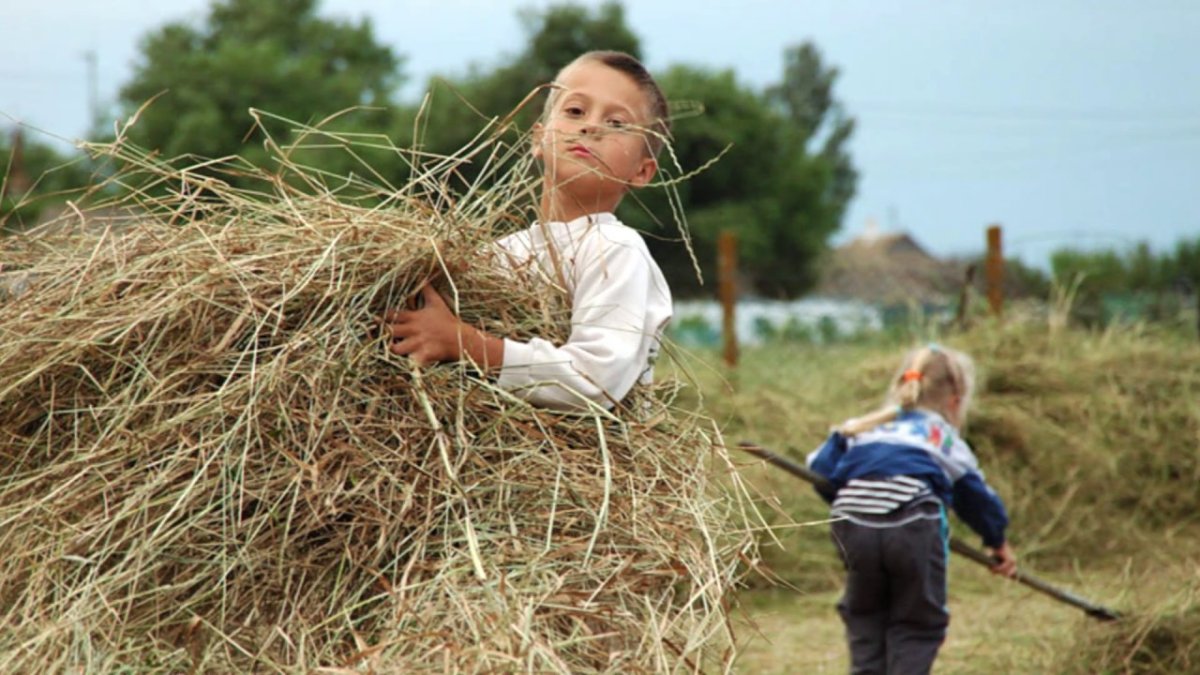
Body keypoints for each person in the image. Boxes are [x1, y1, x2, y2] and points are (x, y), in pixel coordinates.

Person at [384, 50, 672, 410]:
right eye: (575, 111)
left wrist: (465, 344)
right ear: (538, 138)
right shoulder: (498, 254)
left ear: (642, 172)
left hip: (584, 462)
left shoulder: (616, 249)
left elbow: (596, 382)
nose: (591, 127)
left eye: (616, 123)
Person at [806, 344, 1016, 675]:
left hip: (853, 522)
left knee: (865, 615)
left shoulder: (861, 428)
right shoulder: (942, 437)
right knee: (917, 622)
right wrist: (997, 541)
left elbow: (819, 470)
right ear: (955, 400)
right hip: (913, 523)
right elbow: (976, 497)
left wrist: (860, 505)